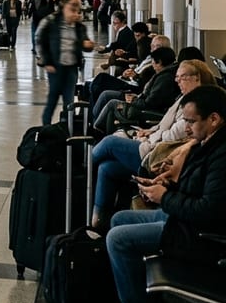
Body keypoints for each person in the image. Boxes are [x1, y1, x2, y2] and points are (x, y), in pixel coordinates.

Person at [105, 85, 226, 303]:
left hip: (200, 235)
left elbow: (208, 209)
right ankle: (136, 293)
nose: (187, 128)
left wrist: (164, 197)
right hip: (184, 220)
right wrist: (167, 184)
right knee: (119, 219)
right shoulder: (207, 143)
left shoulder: (221, 155)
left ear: (214, 119)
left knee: (117, 239)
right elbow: (198, 188)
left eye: (191, 121)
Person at [90, 59, 215, 230]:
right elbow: (164, 124)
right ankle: (98, 223)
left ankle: (83, 166)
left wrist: (150, 137)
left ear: (197, 78)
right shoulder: (183, 98)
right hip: (155, 143)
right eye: (177, 77)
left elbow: (173, 135)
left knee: (109, 142)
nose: (178, 81)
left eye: (182, 77)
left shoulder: (198, 106)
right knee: (107, 168)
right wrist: (150, 131)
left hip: (158, 153)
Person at [36, 0, 94, 127]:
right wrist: (46, 61)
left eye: (77, 6)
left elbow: (85, 44)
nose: (75, 9)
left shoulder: (79, 27)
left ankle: (67, 128)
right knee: (52, 99)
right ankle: (46, 127)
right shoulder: (51, 21)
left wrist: (88, 45)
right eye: (72, 5)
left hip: (71, 68)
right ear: (63, 5)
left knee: (69, 101)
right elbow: (39, 39)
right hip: (55, 67)